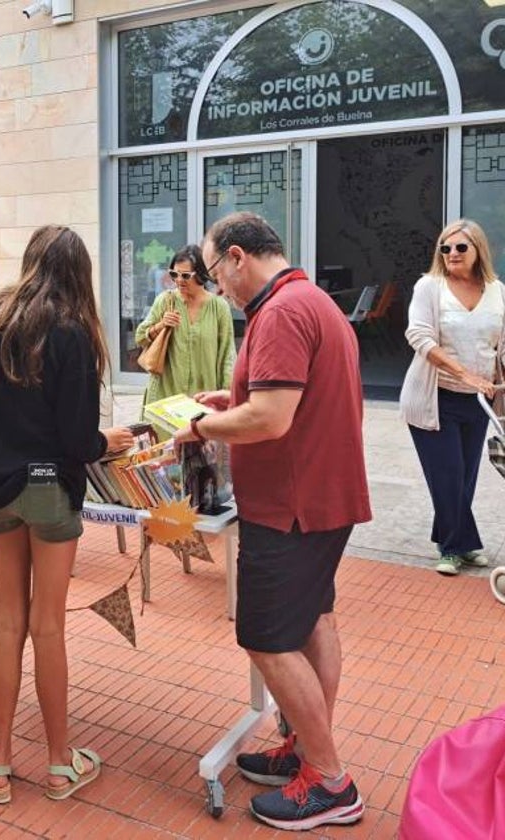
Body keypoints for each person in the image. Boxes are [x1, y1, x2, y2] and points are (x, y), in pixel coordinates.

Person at [173, 212, 371, 831]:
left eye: (213, 273)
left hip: (290, 503)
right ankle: (309, 752)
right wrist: (233, 401)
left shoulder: (281, 311)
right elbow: (284, 398)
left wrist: (202, 426)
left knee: (265, 636)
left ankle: (332, 781)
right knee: (315, 620)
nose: (217, 287)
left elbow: (273, 419)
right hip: (320, 496)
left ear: (238, 257)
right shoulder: (310, 301)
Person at [0, 225, 136, 804]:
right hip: (53, 491)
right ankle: (58, 763)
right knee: (48, 625)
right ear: (78, 273)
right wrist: (110, 440)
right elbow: (78, 439)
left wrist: (4, 436)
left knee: (8, 621)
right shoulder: (73, 332)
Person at [401, 220, 503, 576]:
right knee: (448, 474)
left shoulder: (496, 290)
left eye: (461, 247)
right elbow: (419, 335)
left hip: (478, 402)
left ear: (478, 250)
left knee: (465, 478)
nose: (452, 254)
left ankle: (453, 541)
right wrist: (463, 373)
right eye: (446, 248)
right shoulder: (430, 286)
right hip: (435, 397)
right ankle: (457, 546)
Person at [135, 245, 235, 415]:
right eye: (174, 274)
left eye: (186, 276)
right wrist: (161, 325)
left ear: (201, 275)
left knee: (200, 441)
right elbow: (140, 337)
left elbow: (228, 355)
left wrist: (226, 395)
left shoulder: (219, 307)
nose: (179, 280)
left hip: (203, 399)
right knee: (164, 442)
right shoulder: (165, 301)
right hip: (165, 396)